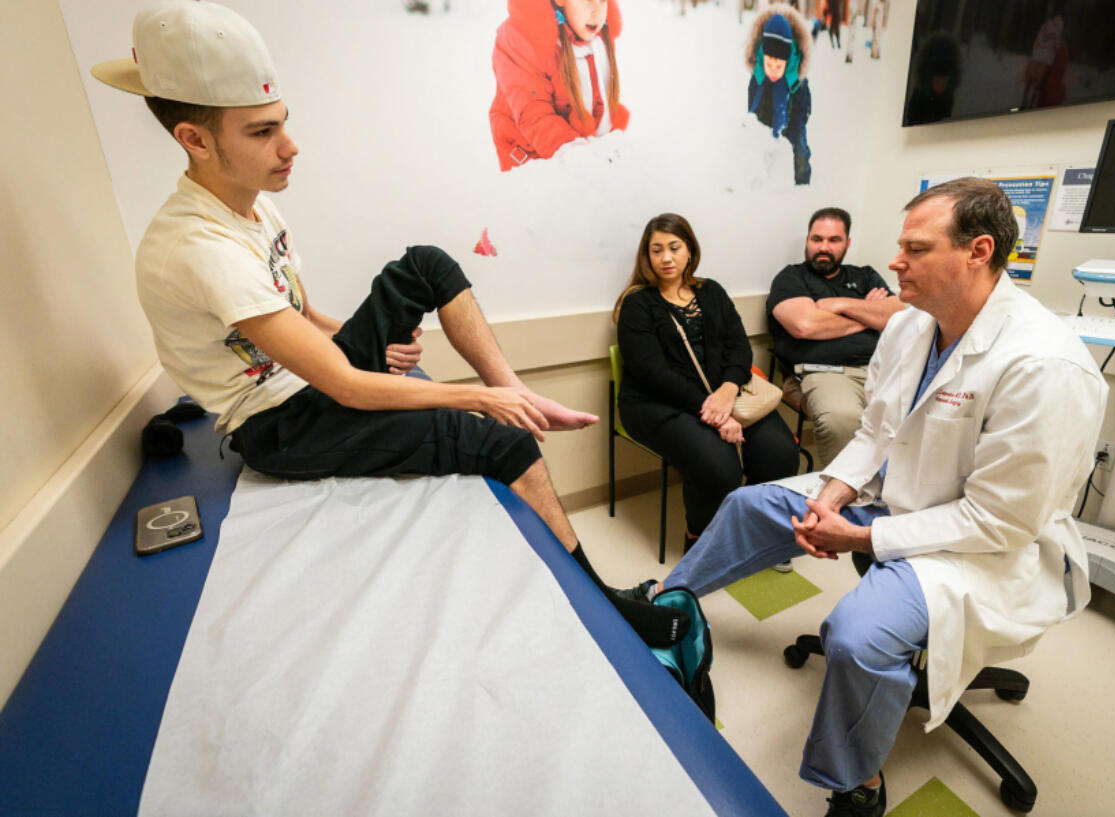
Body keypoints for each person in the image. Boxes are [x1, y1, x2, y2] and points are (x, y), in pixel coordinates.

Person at [90, 1, 688, 649]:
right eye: (262, 133)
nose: (290, 146)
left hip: (305, 382)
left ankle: (523, 395)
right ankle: (611, 614)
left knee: (425, 266)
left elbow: (305, 317)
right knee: (500, 440)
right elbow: (344, 387)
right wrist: (481, 400)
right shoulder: (199, 248)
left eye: (283, 123)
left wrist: (384, 347)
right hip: (278, 425)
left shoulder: (252, 212)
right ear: (196, 139)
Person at [628, 178, 1108, 816]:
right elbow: (877, 431)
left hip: (977, 548)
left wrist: (858, 537)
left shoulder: (1044, 365)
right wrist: (831, 496)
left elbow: (998, 521)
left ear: (977, 250)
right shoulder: (912, 325)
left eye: (914, 247)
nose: (895, 261)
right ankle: (672, 608)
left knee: (856, 637)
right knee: (748, 505)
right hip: (892, 494)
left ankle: (858, 784)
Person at [614, 214, 798, 553]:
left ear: (689, 251)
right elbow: (650, 373)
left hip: (724, 395)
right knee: (719, 466)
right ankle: (701, 545)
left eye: (674, 247)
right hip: (656, 403)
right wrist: (715, 412)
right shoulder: (637, 303)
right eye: (656, 250)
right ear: (647, 256)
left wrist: (727, 392)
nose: (666, 258)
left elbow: (739, 347)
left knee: (781, 454)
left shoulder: (711, 291)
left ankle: (754, 533)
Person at [767, 207, 904, 468]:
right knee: (841, 419)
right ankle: (844, 497)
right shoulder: (791, 277)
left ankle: (891, 493)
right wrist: (867, 312)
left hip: (883, 368)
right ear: (807, 240)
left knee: (920, 416)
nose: (823, 247)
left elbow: (897, 315)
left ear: (847, 243)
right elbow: (805, 326)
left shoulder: (865, 275)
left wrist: (838, 304)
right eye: (816, 239)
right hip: (825, 372)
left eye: (833, 240)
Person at [490, 0, 629, 172]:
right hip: (530, 156)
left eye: (602, 1)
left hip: (583, 150)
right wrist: (576, 154)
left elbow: (601, 101)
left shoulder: (597, 38)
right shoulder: (522, 38)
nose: (597, 12)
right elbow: (534, 114)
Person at [746, 6, 812, 186]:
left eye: (778, 67)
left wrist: (794, 128)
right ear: (762, 57)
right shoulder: (759, 76)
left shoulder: (795, 79)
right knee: (762, 151)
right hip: (765, 118)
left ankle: (802, 181)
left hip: (792, 122)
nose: (773, 71)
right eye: (769, 64)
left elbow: (802, 107)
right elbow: (752, 101)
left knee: (799, 152)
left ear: (787, 61)